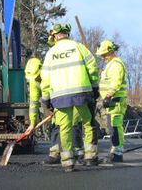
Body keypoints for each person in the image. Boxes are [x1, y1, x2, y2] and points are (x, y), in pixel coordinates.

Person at [40, 23, 99, 172]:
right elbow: (92, 67)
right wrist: (94, 86)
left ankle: (67, 162)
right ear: (67, 33)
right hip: (81, 93)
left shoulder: (51, 53)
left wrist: (46, 98)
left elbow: (45, 78)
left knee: (64, 128)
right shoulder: (79, 47)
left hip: (60, 96)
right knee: (88, 123)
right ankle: (90, 157)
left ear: (54, 35)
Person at [23, 57, 84, 165]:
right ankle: (55, 153)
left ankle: (78, 153)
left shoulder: (53, 74)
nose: (35, 79)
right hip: (51, 102)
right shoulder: (33, 81)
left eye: (37, 77)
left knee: (73, 123)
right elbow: (33, 103)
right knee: (55, 125)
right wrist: (33, 123)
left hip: (67, 99)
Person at [96, 40, 128, 163]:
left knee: (115, 125)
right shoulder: (110, 64)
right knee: (112, 126)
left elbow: (116, 81)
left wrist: (108, 95)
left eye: (104, 54)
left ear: (110, 51)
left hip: (116, 100)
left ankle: (118, 153)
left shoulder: (116, 64)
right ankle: (115, 150)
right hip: (112, 101)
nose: (102, 57)